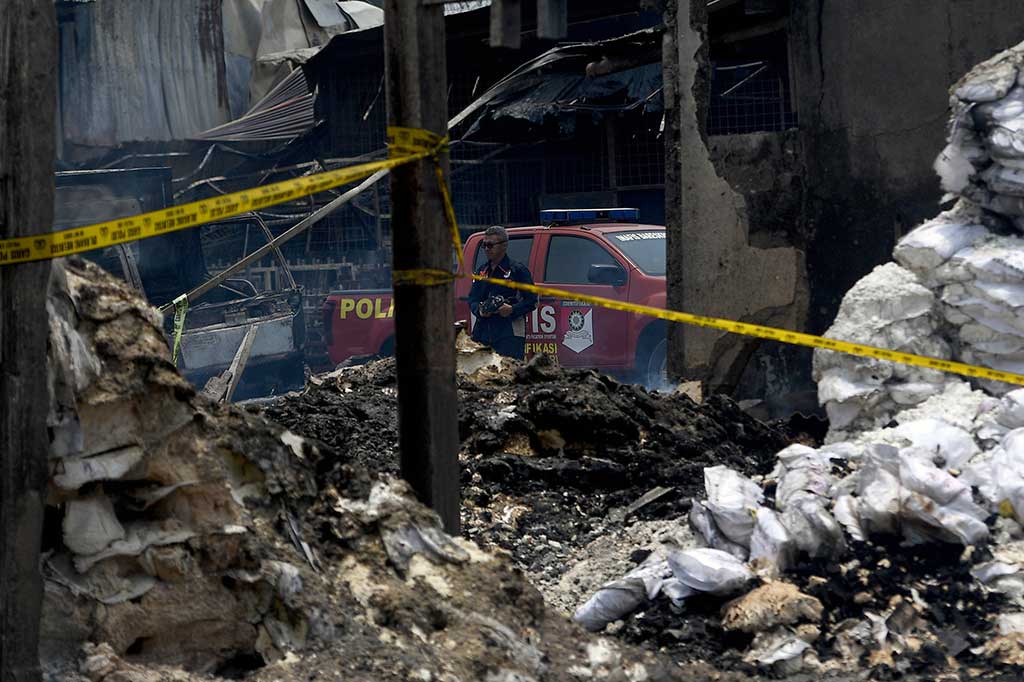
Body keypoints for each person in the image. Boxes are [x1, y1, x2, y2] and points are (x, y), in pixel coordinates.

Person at [467, 225, 537, 359]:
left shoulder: (517, 270)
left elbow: (532, 301)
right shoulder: (482, 271)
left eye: (490, 245)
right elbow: (472, 299)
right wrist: (480, 310)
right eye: (484, 245)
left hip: (509, 333)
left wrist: (512, 309)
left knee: (509, 373)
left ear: (504, 246)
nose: (487, 249)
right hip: (483, 332)